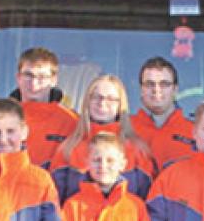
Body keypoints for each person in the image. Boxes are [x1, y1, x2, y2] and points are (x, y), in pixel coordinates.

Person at [50, 74, 155, 203]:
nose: (102, 103)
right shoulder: (68, 149)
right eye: (96, 97)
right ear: (87, 102)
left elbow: (147, 207)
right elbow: (54, 204)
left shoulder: (138, 151)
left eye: (111, 99)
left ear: (120, 105)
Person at [9, 47, 78, 168]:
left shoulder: (71, 122)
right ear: (18, 78)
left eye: (42, 77)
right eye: (28, 75)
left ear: (53, 80)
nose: (34, 83)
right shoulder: (1, 117)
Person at [129, 57, 194, 170]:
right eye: (149, 84)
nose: (156, 90)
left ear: (175, 90)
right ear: (141, 89)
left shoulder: (196, 132)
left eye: (164, 84)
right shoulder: (125, 128)